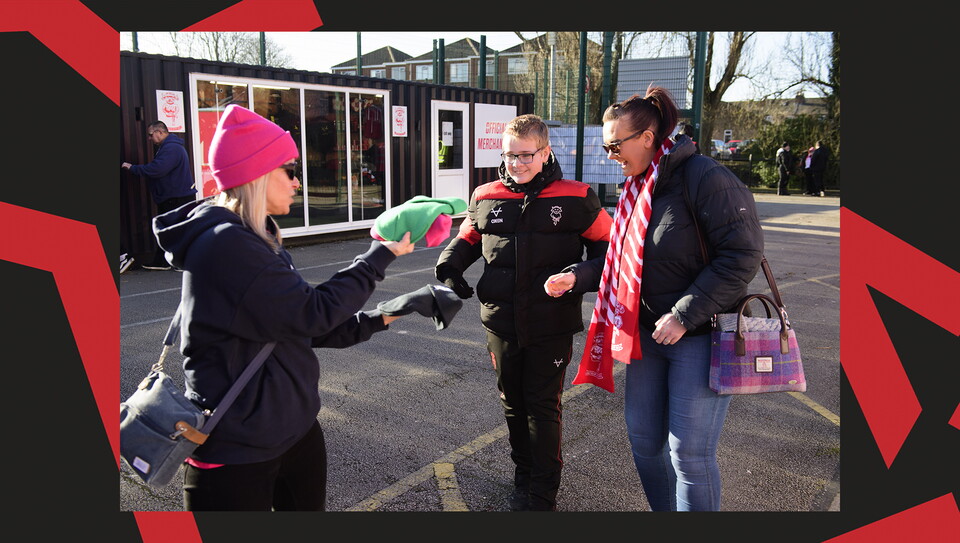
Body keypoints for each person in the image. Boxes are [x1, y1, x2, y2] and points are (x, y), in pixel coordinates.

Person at [150, 104, 427, 511]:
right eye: (291, 170)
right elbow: (311, 313)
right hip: (237, 449)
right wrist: (377, 256)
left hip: (292, 431)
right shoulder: (228, 243)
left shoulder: (256, 235)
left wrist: (392, 311)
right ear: (258, 174)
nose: (298, 182)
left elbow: (298, 325)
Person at [577, 86, 763, 511]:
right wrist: (578, 276)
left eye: (614, 144)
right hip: (649, 337)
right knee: (644, 443)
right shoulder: (638, 187)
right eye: (605, 145)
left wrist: (683, 313)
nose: (610, 154)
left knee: (690, 457)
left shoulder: (704, 176)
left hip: (698, 335)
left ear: (646, 137)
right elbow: (622, 256)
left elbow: (742, 255)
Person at [435, 114, 612, 511]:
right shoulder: (486, 194)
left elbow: (611, 253)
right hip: (500, 320)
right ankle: (523, 478)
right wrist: (449, 267)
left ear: (545, 152)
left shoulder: (577, 196)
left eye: (526, 155)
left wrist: (579, 275)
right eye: (510, 155)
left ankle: (542, 494)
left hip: (551, 322)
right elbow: (468, 237)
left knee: (542, 403)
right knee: (512, 402)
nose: (517, 164)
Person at [122, 121, 197, 270]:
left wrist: (133, 168)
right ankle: (166, 262)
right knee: (170, 229)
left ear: (160, 132)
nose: (149, 138)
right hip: (175, 195)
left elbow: (157, 169)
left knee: (170, 230)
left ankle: (169, 262)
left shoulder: (171, 148)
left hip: (175, 197)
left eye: (151, 135)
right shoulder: (170, 147)